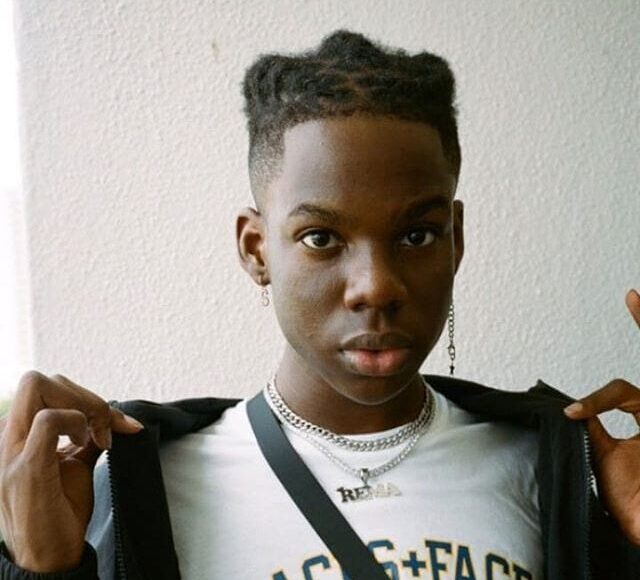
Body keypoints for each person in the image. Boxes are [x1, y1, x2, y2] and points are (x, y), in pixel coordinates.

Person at [0, 29, 638, 580]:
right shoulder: (141, 485)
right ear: (256, 249)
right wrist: (38, 568)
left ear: (457, 240)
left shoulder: (554, 470)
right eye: (321, 238)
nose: (375, 287)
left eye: (418, 235)